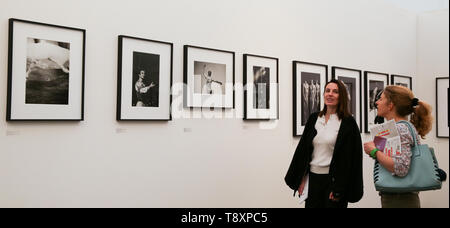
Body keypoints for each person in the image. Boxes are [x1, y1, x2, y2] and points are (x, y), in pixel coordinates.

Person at [285, 79, 364, 208]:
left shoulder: (348, 123)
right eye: (327, 91)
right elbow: (303, 151)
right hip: (313, 179)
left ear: (341, 96)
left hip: (333, 182)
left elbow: (350, 160)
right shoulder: (314, 119)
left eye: (335, 92)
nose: (330, 94)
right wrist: (302, 178)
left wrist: (339, 187)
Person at [363, 85, 433, 208]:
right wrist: (377, 151)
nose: (377, 102)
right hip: (399, 197)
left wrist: (374, 151)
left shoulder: (400, 129)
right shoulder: (401, 127)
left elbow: (400, 168)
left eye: (381, 99)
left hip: (400, 199)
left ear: (391, 105)